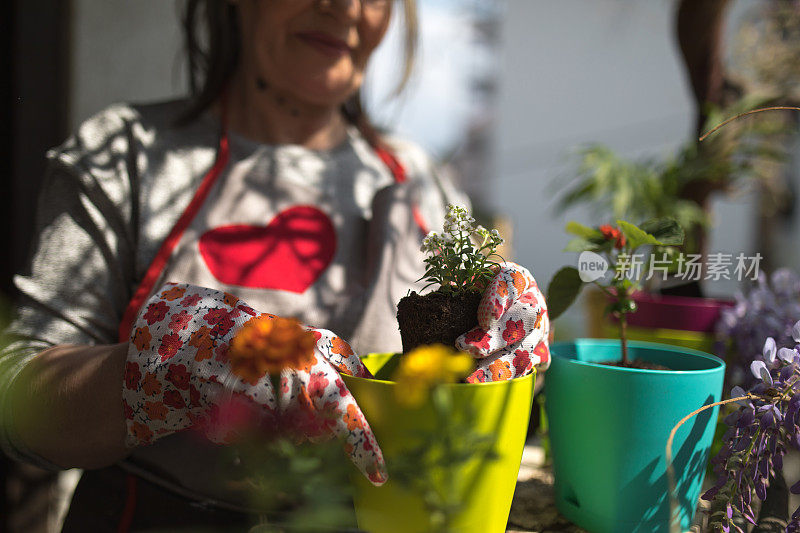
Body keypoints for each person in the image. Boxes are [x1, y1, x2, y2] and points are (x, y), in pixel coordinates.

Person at [0, 0, 550, 530]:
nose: (345, 5)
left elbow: (485, 374)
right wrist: (170, 363)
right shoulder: (127, 157)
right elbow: (18, 398)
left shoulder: (417, 181)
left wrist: (514, 352)